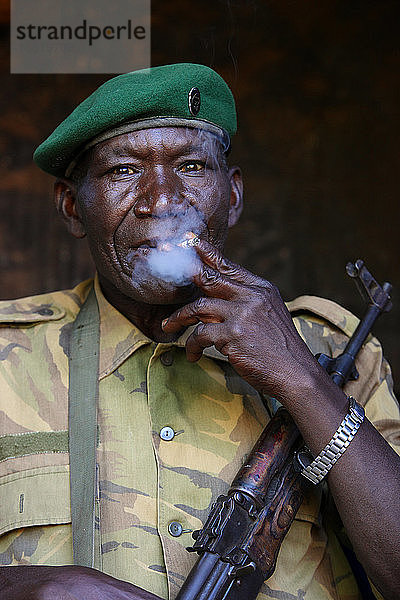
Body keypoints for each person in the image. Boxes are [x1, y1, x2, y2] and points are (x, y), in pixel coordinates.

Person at [0, 63, 399, 600]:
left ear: (232, 197)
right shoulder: (9, 354)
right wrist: (34, 586)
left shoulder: (333, 350)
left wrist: (301, 379)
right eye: (123, 171)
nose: (162, 200)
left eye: (189, 166)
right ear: (73, 207)